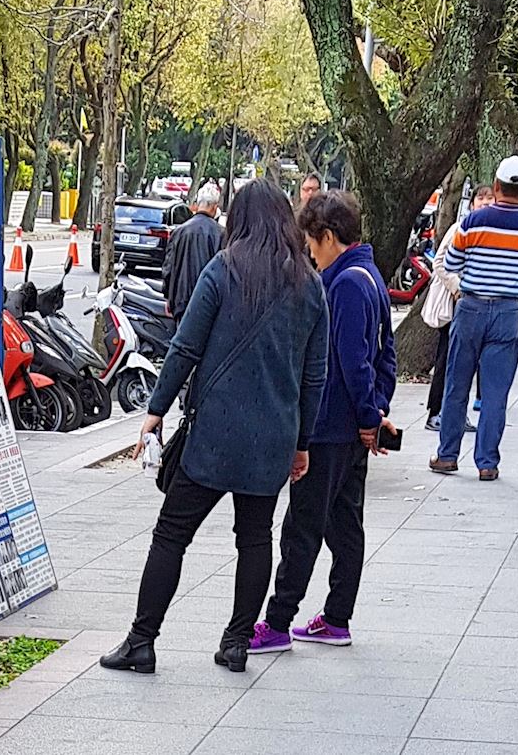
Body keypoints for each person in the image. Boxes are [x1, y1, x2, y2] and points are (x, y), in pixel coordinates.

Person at [99, 179, 329, 676]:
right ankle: (237, 642)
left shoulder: (222, 270)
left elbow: (184, 347)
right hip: (273, 439)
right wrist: (303, 441)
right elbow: (315, 376)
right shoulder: (310, 286)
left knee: (172, 533)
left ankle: (142, 641)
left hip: (215, 436)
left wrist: (155, 411)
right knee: (255, 537)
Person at [250, 191, 396, 653]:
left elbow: (354, 362)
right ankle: (336, 617)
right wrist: (376, 411)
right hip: (353, 427)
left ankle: (276, 623)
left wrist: (369, 414)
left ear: (328, 237)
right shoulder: (370, 275)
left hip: (332, 425)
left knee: (303, 527)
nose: (310, 254)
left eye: (312, 244)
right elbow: (385, 354)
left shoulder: (345, 285)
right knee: (344, 524)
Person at [429, 157, 518, 481]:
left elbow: (451, 262)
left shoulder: (473, 221)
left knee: (457, 383)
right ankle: (486, 462)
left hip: (471, 308)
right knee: (495, 391)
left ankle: (447, 454)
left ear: (496, 186)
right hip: (509, 312)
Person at [423, 186, 494, 432]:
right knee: (447, 358)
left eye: (489, 198)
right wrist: (457, 287)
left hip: (477, 306)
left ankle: (456, 413)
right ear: (472, 203)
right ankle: (435, 412)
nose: (485, 202)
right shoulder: (459, 229)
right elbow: (439, 263)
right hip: (456, 303)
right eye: (480, 198)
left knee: (467, 363)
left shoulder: (492, 233)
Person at [162, 182, 224, 322]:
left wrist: (168, 297)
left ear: (197, 204)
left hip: (181, 301)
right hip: (209, 302)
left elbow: (168, 268)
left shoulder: (179, 232)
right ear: (215, 207)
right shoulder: (221, 234)